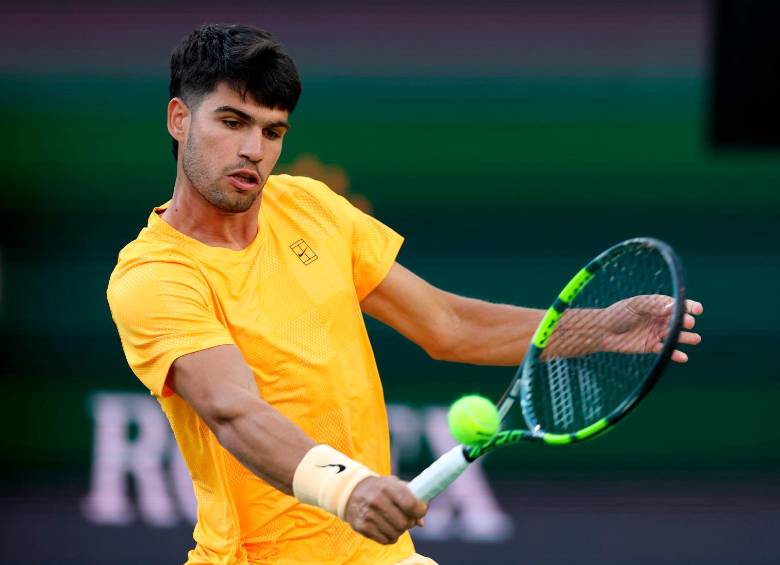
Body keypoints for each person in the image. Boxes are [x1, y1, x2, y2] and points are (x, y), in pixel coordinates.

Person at [107, 24, 703, 565]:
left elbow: (446, 325)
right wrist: (349, 488)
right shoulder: (154, 275)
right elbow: (234, 410)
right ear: (179, 119)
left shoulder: (310, 207)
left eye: (272, 131)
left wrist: (599, 328)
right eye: (232, 122)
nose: (253, 151)